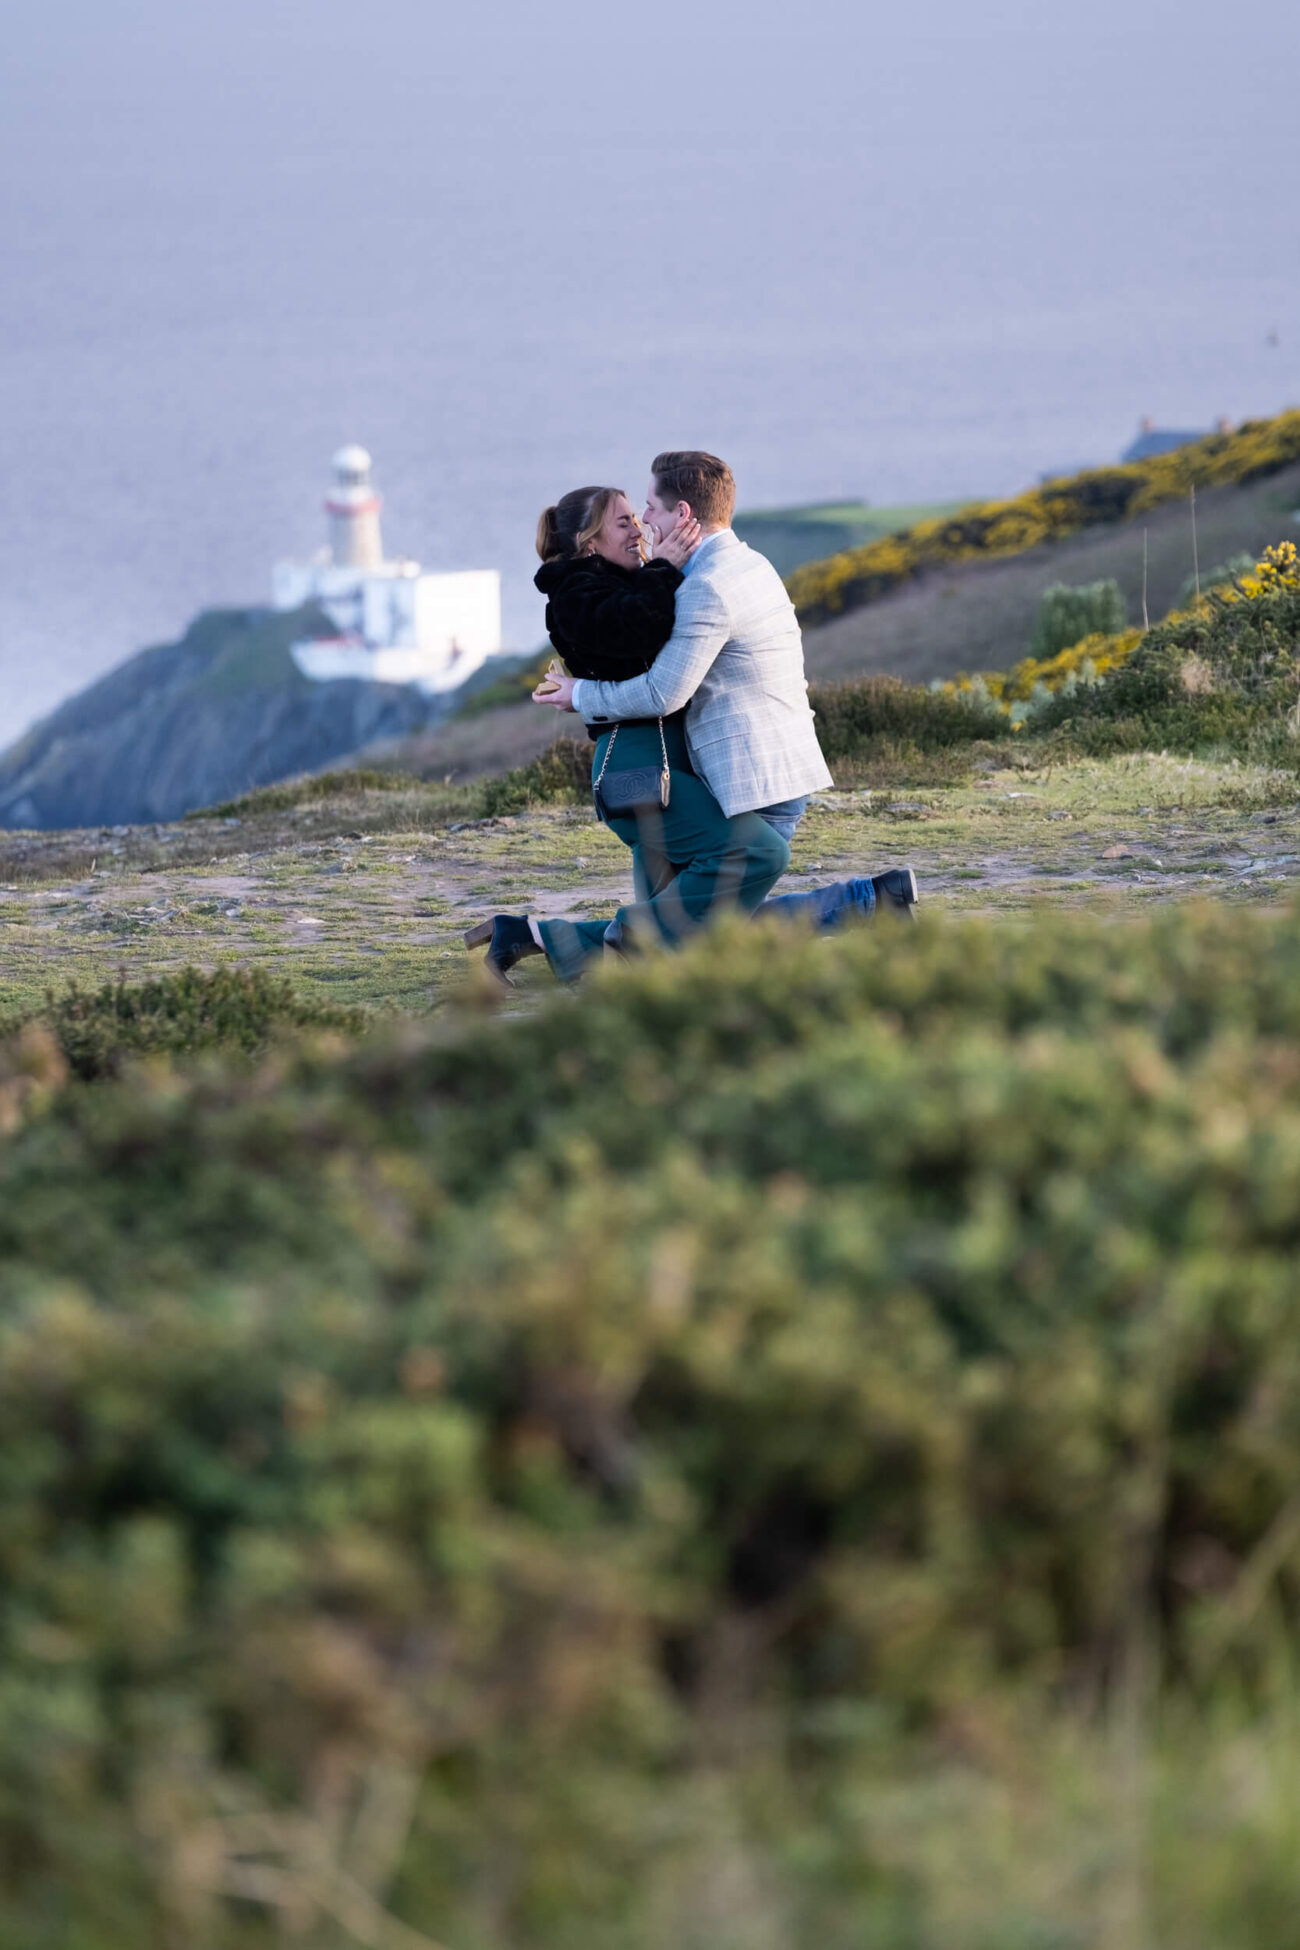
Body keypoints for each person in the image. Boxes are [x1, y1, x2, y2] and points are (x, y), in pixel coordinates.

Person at [465, 471, 916, 984]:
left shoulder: (632, 579)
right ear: (590, 542)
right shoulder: (574, 592)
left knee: (693, 926)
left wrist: (660, 568)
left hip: (668, 758)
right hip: (635, 764)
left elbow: (653, 625)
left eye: (641, 514)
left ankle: (531, 936)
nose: (639, 527)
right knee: (754, 859)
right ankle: (868, 901)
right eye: (625, 521)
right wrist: (664, 568)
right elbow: (642, 631)